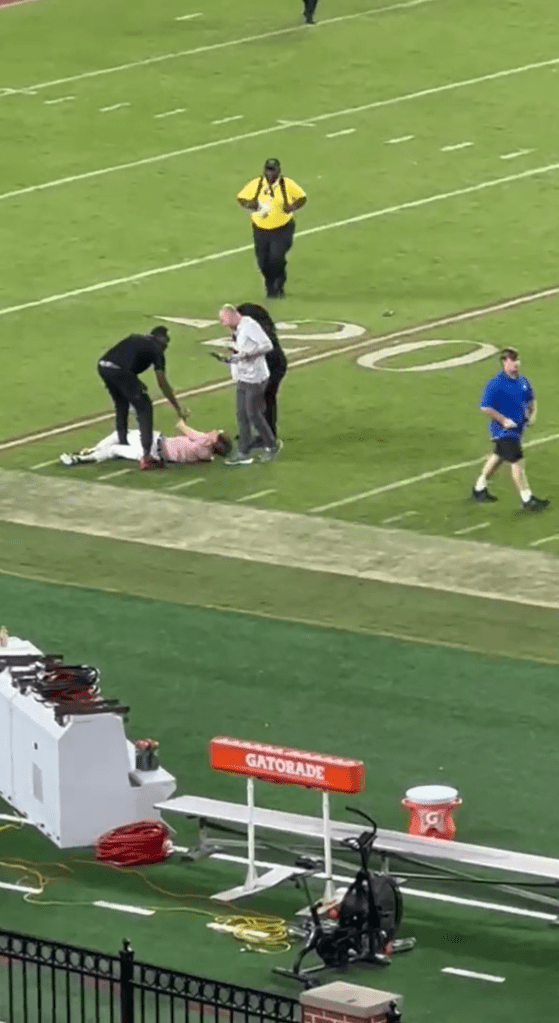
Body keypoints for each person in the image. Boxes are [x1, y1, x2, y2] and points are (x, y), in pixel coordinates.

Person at [97, 326, 187, 470]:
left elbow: (123, 361)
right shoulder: (156, 350)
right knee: (144, 407)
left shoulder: (136, 338)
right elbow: (162, 383)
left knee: (121, 403)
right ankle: (147, 456)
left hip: (103, 366)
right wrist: (177, 407)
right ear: (162, 341)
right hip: (120, 371)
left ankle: (123, 442)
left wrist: (136, 382)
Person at [472, 348, 549, 510]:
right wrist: (503, 420)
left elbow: (531, 399)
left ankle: (479, 488)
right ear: (504, 363)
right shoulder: (495, 383)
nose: (515, 363)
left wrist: (532, 414)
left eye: (516, 359)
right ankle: (527, 498)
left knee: (498, 456)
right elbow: (485, 407)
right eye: (511, 360)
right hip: (503, 431)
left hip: (517, 430)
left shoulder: (523, 381)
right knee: (517, 462)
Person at [237, 159, 307, 299]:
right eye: (268, 170)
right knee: (262, 261)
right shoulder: (257, 184)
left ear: (278, 171)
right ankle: (270, 284)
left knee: (276, 257)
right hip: (260, 229)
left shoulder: (286, 184)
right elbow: (241, 198)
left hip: (282, 228)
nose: (270, 173)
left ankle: (278, 284)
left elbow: (302, 198)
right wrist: (250, 205)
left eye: (272, 170)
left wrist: (292, 207)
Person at [217, 305, 277, 465]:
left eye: (223, 320)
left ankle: (271, 445)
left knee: (253, 414)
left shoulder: (250, 326)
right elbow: (242, 349)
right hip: (243, 377)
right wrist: (233, 356)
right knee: (241, 415)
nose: (223, 324)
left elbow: (267, 345)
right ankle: (243, 451)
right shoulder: (237, 328)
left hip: (255, 378)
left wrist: (246, 355)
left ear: (232, 315)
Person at [59, 415, 232, 466]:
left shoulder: (203, 442)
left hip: (154, 442)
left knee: (119, 436)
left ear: (214, 442)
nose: (214, 431)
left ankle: (87, 454)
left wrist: (182, 417)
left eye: (216, 434)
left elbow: (182, 427)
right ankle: (85, 456)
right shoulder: (206, 454)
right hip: (154, 454)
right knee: (116, 447)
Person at [236, 303, 287, 447]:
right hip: (269, 366)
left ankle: (266, 436)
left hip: (272, 368)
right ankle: (262, 433)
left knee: (264, 400)